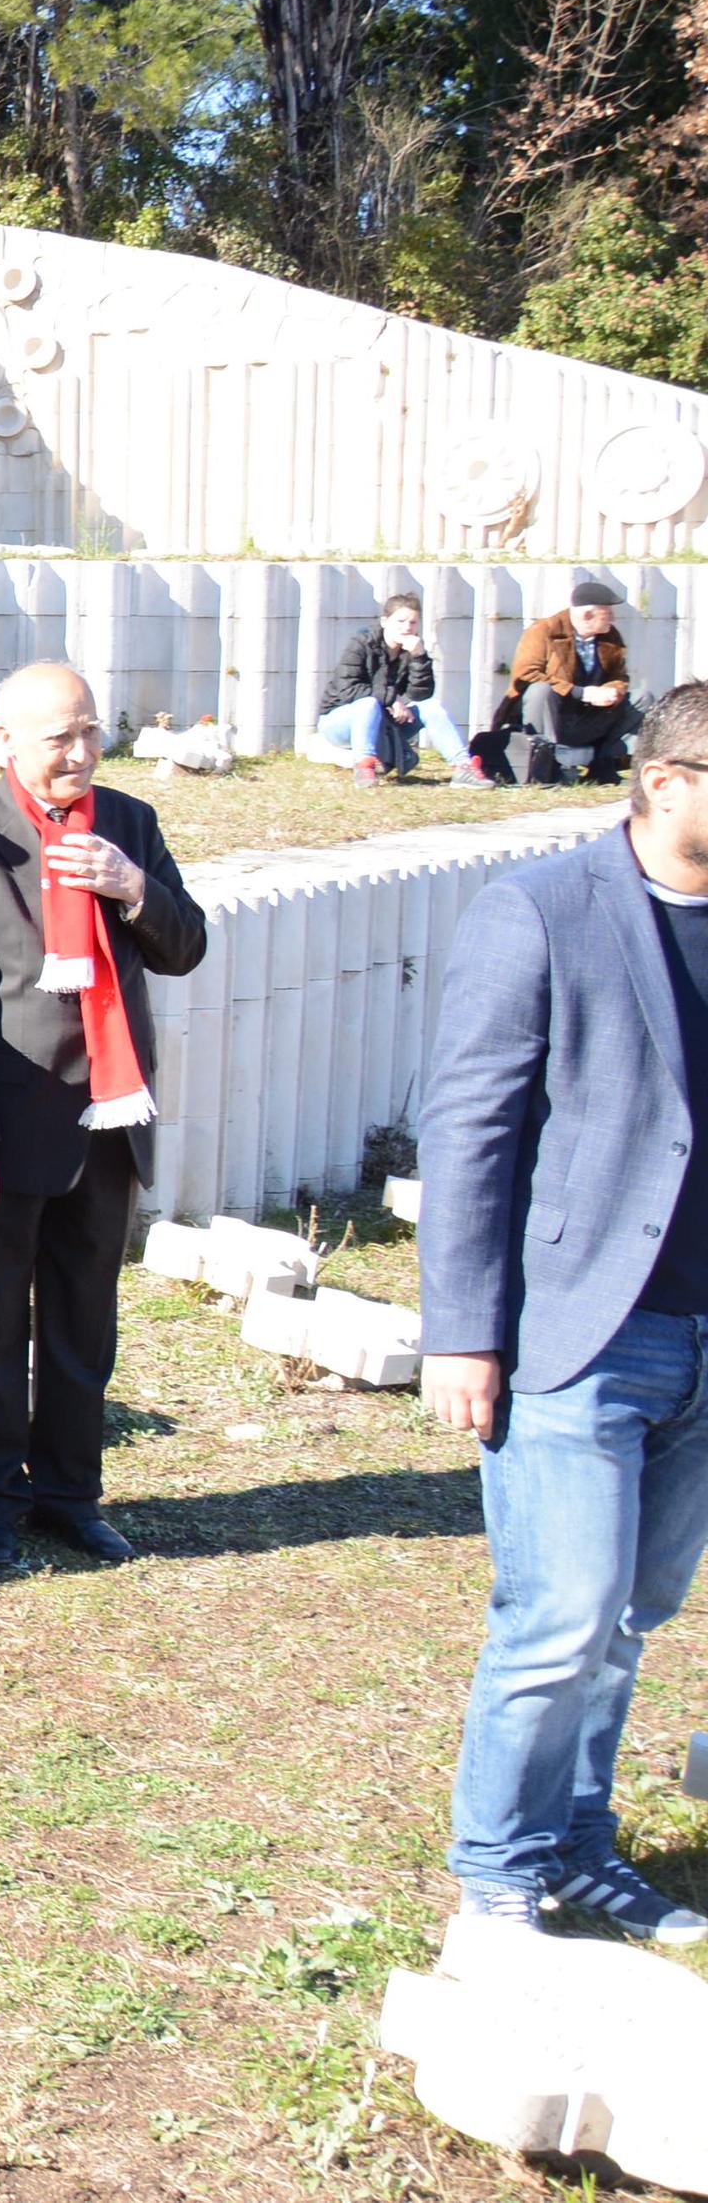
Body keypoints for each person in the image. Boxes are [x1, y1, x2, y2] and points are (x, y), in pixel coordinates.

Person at [418, 679, 708, 1944]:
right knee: (561, 1614)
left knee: (631, 1618)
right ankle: (495, 1866)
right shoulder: (541, 910)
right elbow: (471, 1128)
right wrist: (463, 1330)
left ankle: (580, 1843)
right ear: (665, 781)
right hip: (580, 1333)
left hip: (704, 1340)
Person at [0, 660, 208, 1569]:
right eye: (57, 738)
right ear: (3, 743)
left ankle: (71, 1493)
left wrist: (131, 887)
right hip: (4, 1124)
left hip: (108, 1117)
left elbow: (185, 946)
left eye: (89, 732)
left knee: (85, 1322)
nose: (79, 753)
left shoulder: (129, 824)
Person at [317, 591, 482, 785]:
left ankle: (463, 767)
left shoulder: (411, 649)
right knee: (368, 704)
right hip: (340, 721)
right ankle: (364, 767)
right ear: (385, 621)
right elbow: (347, 689)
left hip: (383, 722)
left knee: (431, 707)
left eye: (412, 623)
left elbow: (420, 695)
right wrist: (390, 701)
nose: (407, 628)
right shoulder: (362, 644)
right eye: (401, 621)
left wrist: (419, 658)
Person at [500, 579, 641, 784]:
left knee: (641, 698)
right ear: (586, 615)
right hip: (554, 715)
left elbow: (619, 676)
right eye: (607, 612)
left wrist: (611, 691)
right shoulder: (543, 631)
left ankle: (604, 765)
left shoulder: (610, 636)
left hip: (589, 716)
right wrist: (581, 693)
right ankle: (545, 764)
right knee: (540, 690)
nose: (613, 618)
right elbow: (527, 675)